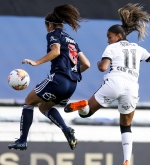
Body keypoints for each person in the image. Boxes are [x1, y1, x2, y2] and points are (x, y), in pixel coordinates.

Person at [64, 3, 150, 165]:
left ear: (119, 36)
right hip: (132, 87)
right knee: (126, 126)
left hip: (115, 82)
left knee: (86, 113)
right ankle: (127, 161)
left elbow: (103, 67)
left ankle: (83, 105)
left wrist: (98, 63)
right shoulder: (139, 49)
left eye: (109, 37)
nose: (108, 40)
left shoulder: (112, 48)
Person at [8, 4, 90, 151]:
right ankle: (66, 129)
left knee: (28, 102)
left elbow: (56, 51)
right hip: (72, 84)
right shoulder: (71, 40)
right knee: (44, 106)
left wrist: (36, 62)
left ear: (50, 25)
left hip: (58, 79)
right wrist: (73, 73)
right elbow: (87, 64)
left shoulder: (53, 34)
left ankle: (22, 140)